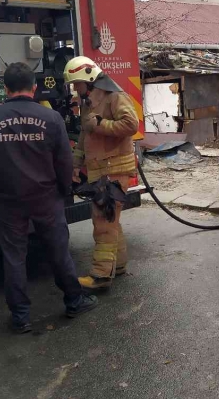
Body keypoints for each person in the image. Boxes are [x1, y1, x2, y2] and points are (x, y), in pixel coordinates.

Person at [0, 63, 97, 334]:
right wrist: (65, 190)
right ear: (34, 87)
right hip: (46, 197)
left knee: (14, 257)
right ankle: (74, 300)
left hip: (8, 199)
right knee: (58, 251)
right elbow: (64, 160)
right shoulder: (51, 118)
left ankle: (20, 317)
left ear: (5, 89)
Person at [65, 56, 139, 294]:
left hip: (114, 169)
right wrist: (76, 164)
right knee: (111, 220)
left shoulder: (114, 96)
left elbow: (131, 125)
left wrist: (100, 124)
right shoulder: (89, 101)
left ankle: (100, 276)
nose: (75, 89)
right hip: (101, 170)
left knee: (103, 222)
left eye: (77, 83)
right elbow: (85, 137)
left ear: (88, 77)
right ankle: (117, 266)